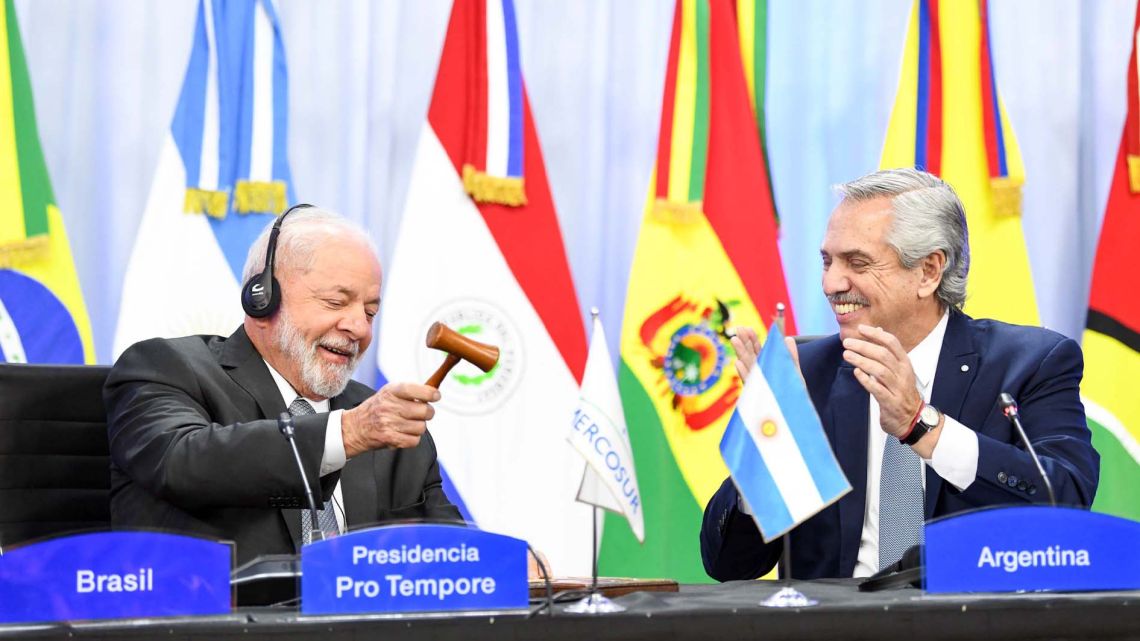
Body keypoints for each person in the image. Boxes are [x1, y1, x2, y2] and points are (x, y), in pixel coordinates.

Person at [700, 168, 1099, 581]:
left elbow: (1065, 499)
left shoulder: (1030, 364)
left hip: (974, 621)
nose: (832, 282)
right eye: (827, 261)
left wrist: (923, 427)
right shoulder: (805, 371)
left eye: (857, 262)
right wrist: (773, 446)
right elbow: (729, 565)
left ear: (928, 271)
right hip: (836, 626)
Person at [105, 206, 460, 566]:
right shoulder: (167, 369)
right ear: (263, 297)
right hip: (216, 617)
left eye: (370, 312)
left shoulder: (385, 424)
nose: (360, 328)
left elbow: (454, 552)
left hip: (364, 622)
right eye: (335, 302)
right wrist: (347, 434)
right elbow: (182, 463)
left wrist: (510, 566)